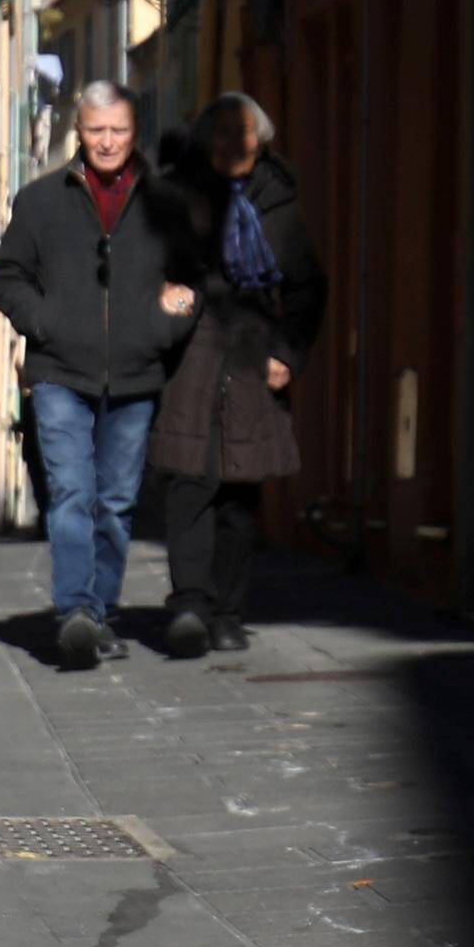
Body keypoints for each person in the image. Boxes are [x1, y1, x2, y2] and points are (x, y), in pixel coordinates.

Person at [0, 81, 194, 662]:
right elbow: (7, 277)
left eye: (119, 130)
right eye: (96, 130)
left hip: (136, 376)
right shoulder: (41, 201)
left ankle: (99, 614)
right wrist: (45, 322)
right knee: (72, 492)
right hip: (59, 373)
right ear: (79, 131)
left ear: (135, 133)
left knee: (118, 501)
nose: (107, 142)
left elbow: (192, 279)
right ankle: (75, 609)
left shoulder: (166, 204)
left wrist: (166, 322)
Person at [144, 92, 324, 656]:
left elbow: (307, 288)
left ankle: (227, 612)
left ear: (261, 139)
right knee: (189, 483)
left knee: (239, 494)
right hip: (190, 354)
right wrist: (162, 297)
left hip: (252, 355)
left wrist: (287, 355)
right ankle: (190, 605)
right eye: (220, 132)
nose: (231, 142)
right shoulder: (175, 194)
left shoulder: (278, 204)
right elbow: (142, 266)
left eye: (242, 132)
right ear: (204, 139)